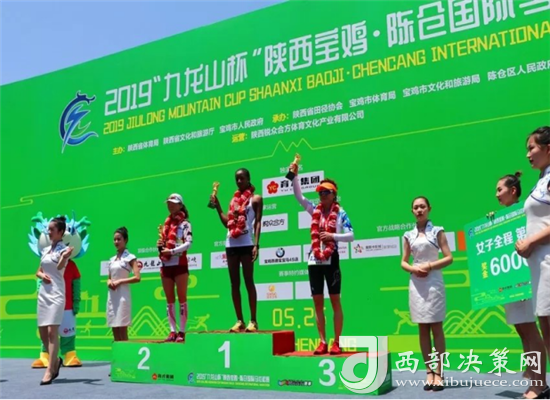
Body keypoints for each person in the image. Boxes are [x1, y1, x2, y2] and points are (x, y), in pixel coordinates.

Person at [290, 168, 354, 355]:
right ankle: (322, 341)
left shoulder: (341, 213)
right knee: (317, 302)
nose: (322, 195)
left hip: (331, 259)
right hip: (314, 260)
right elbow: (299, 197)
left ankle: (337, 342)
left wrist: (332, 236)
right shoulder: (315, 210)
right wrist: (294, 176)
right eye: (320, 192)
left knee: (335, 301)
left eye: (326, 192)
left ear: (334, 194)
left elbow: (351, 236)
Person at [401, 197, 453, 391]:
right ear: (412, 211)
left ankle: (439, 372)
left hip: (433, 282)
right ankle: (429, 371)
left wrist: (429, 266)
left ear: (429, 208)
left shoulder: (437, 231)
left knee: (436, 327)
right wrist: (413, 269)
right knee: (422, 328)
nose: (419, 210)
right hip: (417, 284)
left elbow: (449, 258)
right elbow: (404, 261)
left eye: (422, 206)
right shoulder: (408, 235)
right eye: (415, 207)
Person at [515, 126, 550, 399]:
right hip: (539, 263)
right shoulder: (541, 180)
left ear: (548, 148)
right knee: (546, 326)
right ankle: (541, 384)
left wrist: (531, 241)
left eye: (532, 148)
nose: (528, 154)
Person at [210, 168, 263, 332]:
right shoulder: (233, 201)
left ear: (248, 179)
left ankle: (253, 321)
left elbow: (258, 222)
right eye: (237, 179)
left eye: (242, 178)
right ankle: (239, 320)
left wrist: (256, 244)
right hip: (231, 244)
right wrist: (218, 207)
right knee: (234, 283)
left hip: (246, 244)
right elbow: (227, 223)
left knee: (248, 281)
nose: (239, 181)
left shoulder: (256, 199)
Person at [35, 216, 73, 385]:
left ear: (60, 232)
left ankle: (50, 370)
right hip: (44, 293)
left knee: (52, 332)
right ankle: (56, 361)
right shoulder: (45, 250)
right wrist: (42, 275)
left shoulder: (64, 250)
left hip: (57, 293)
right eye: (48, 229)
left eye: (52, 229)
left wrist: (65, 257)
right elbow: (38, 271)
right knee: (43, 332)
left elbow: (59, 267)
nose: (49, 232)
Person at [157, 193, 193, 342]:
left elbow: (188, 243)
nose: (170, 205)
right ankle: (172, 331)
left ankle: (182, 332)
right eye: (168, 203)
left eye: (173, 203)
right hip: (166, 265)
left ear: (180, 205)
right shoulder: (166, 225)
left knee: (182, 298)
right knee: (169, 299)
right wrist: (160, 246)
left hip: (180, 264)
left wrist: (172, 251)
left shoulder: (185, 224)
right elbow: (164, 244)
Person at [107, 227, 142, 342]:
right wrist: (109, 282)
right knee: (114, 328)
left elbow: (137, 277)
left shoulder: (130, 258)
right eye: (114, 239)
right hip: (112, 296)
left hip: (123, 296)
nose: (116, 242)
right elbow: (109, 278)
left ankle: (125, 353)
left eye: (119, 239)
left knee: (122, 328)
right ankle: (117, 353)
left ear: (125, 240)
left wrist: (120, 281)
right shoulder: (112, 260)